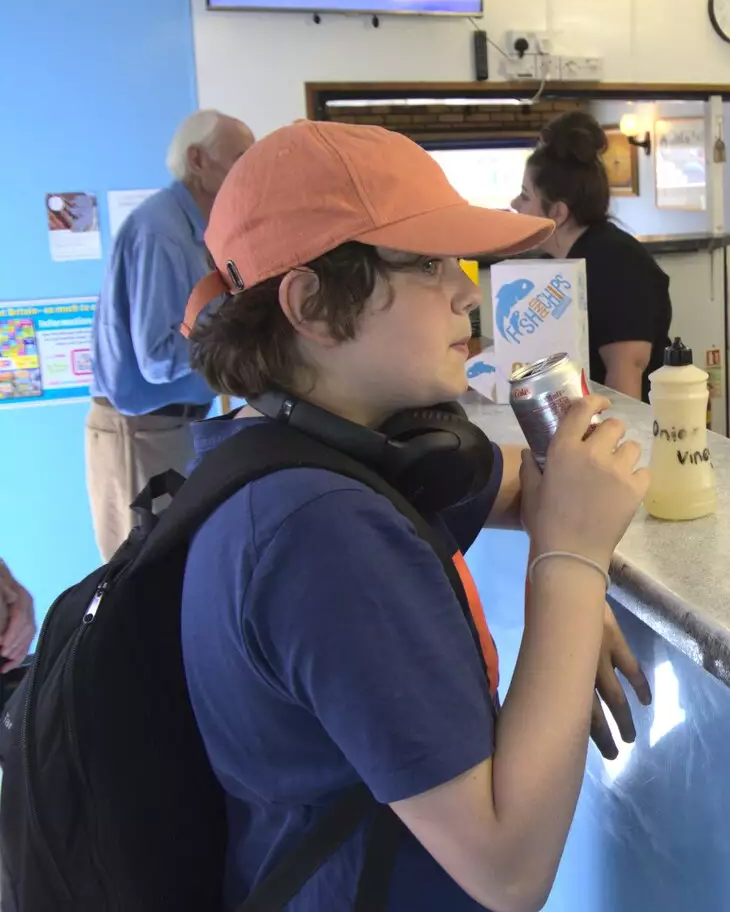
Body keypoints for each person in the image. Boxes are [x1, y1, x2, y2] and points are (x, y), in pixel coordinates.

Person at [179, 121, 652, 910]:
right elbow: (509, 871)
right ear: (314, 307)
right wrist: (573, 567)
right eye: (431, 264)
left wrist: (566, 521)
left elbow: (535, 485)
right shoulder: (322, 536)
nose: (470, 290)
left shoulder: (301, 456)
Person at [86, 110, 255, 561]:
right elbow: (159, 358)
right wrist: (241, 339)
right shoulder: (161, 231)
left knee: (179, 566)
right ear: (198, 160)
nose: (251, 169)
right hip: (144, 433)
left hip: (176, 426)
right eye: (241, 157)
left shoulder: (196, 230)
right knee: (143, 573)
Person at [512, 111, 671, 400]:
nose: (513, 204)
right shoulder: (555, 265)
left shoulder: (619, 264)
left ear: (557, 213)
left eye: (524, 196)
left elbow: (626, 379)